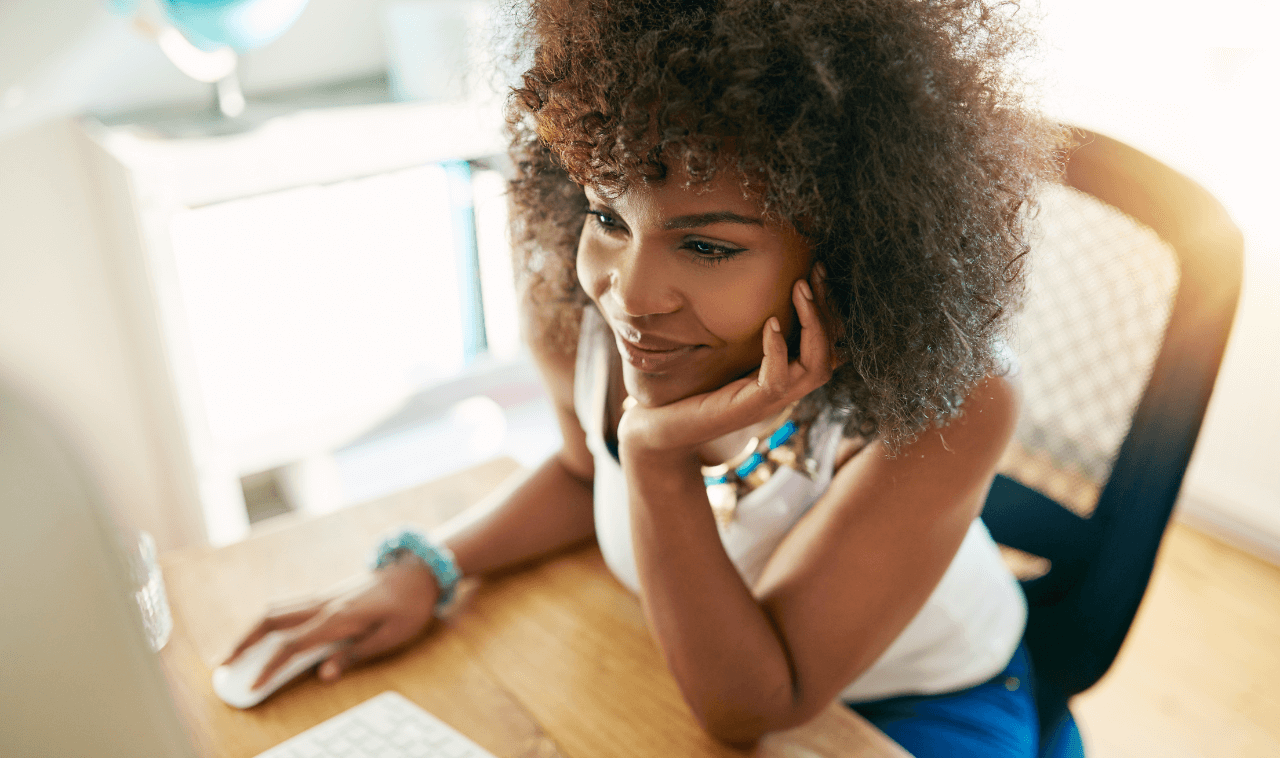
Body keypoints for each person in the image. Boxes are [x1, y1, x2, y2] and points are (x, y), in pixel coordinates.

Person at [225, 0, 1063, 755]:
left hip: (922, 710)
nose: (628, 293)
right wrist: (428, 568)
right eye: (607, 216)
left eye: (707, 247)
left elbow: (752, 706)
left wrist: (658, 455)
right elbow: (583, 473)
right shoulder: (573, 314)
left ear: (848, 249)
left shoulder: (959, 406)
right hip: (675, 650)